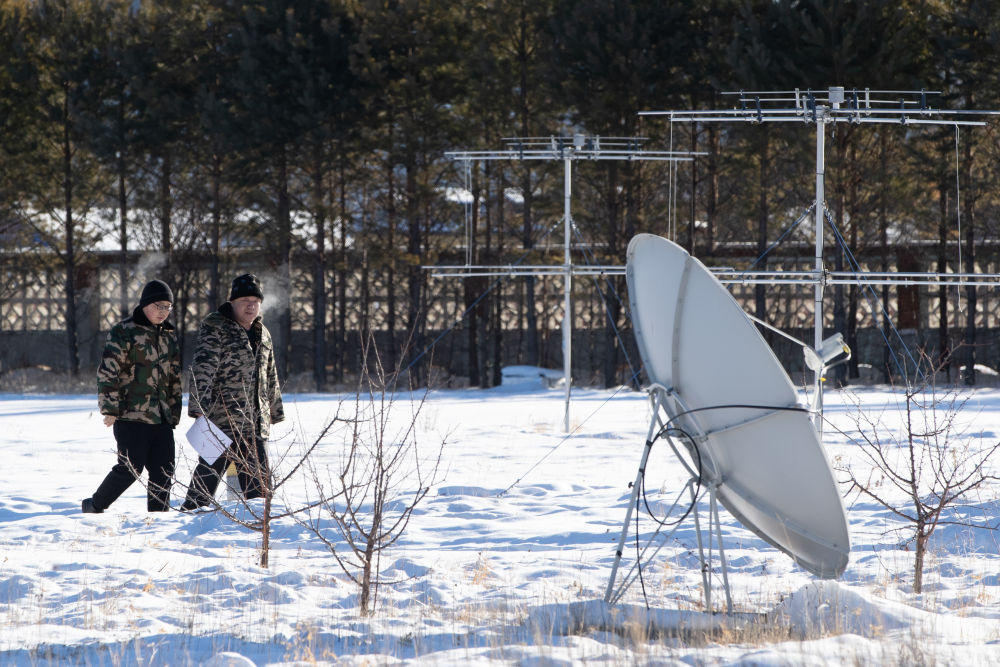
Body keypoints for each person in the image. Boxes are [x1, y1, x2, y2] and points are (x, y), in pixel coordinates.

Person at [181, 273, 284, 510]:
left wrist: (275, 411)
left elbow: (270, 374)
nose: (250, 305)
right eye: (244, 300)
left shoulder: (262, 332)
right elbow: (203, 369)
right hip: (221, 419)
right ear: (232, 303)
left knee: (257, 490)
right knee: (206, 480)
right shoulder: (217, 328)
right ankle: (188, 519)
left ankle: (252, 530)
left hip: (254, 422)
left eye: (255, 301)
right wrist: (198, 408)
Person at [83, 279, 181, 513]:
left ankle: (158, 518)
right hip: (130, 415)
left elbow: (174, 376)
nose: (163, 312)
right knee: (130, 467)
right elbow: (108, 370)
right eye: (159, 306)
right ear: (146, 304)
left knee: (164, 470)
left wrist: (174, 411)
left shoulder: (168, 335)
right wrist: (109, 408)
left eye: (168, 307)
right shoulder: (124, 331)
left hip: (161, 417)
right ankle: (95, 505)